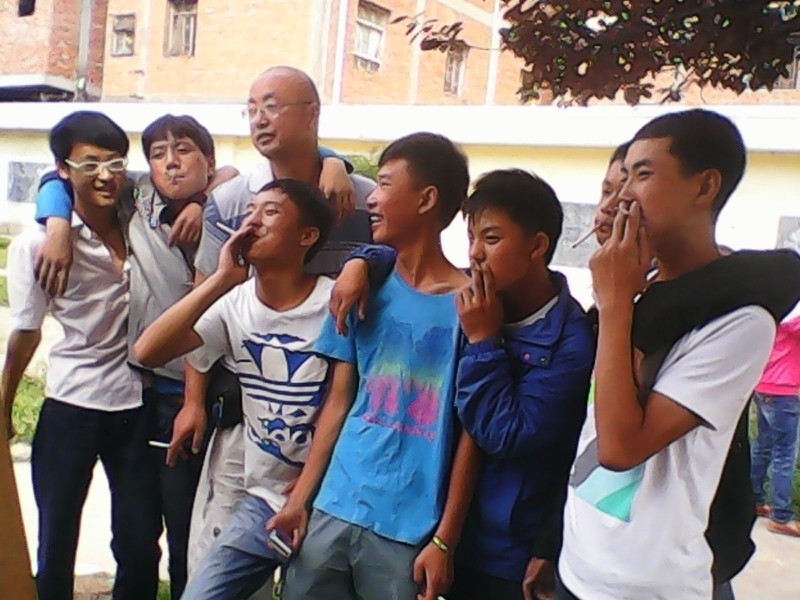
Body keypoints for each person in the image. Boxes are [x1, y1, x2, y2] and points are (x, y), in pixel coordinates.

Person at [557, 109, 800, 600]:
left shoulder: (741, 321)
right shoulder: (639, 289)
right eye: (620, 180)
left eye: (643, 175)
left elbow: (619, 449)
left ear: (704, 186)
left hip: (647, 586)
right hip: (578, 564)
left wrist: (617, 303)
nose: (622, 198)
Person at [329, 170, 596, 599]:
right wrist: (363, 260)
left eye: (491, 239)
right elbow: (416, 267)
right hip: (428, 522)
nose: (475, 254)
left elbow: (508, 435)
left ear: (537, 246)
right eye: (471, 238)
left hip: (504, 549)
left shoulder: (570, 339)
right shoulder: (474, 297)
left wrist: (485, 342)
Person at [178, 65, 374, 572]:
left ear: (312, 115)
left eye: (272, 106)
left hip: (336, 401)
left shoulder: (361, 198)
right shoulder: (232, 201)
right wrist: (193, 401)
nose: (259, 119)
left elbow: (399, 263)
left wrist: (338, 169)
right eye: (251, 109)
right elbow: (204, 302)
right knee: (224, 553)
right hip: (252, 402)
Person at [269, 132, 481, 600]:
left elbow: (472, 432)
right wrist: (301, 501)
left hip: (408, 527)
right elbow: (338, 403)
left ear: (426, 199)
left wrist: (445, 540)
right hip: (334, 505)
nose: (373, 200)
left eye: (385, 185)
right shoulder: (362, 289)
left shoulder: (473, 309)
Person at [134, 178, 335, 600]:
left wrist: (304, 493)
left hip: (328, 501)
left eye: (270, 212)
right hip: (264, 499)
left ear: (307, 236)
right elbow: (148, 350)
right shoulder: (235, 303)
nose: (252, 222)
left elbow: (344, 403)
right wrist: (221, 279)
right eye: (249, 211)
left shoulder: (334, 303)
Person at [0, 111, 161, 600]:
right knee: (57, 540)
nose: (106, 175)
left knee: (139, 539)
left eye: (115, 162)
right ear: (64, 168)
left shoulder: (140, 219)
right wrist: (4, 403)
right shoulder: (36, 246)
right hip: (72, 406)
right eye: (89, 164)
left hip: (137, 403)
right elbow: (26, 331)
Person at [751, 313, 800, 537]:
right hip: (783, 392)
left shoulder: (778, 313)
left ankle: (754, 499)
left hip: (763, 386)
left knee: (763, 446)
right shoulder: (795, 321)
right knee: (785, 454)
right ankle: (781, 516)